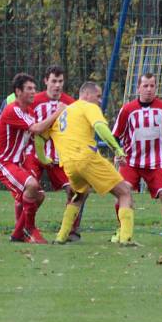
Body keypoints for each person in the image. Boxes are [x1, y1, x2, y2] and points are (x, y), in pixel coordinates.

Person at [48, 81, 138, 246]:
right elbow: (100, 128)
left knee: (79, 195)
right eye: (98, 96)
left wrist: (43, 156)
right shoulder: (88, 106)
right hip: (87, 158)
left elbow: (42, 136)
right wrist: (117, 149)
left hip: (69, 163)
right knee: (124, 193)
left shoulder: (65, 111)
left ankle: (60, 237)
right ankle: (126, 239)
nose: (99, 100)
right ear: (87, 95)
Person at [0, 73, 65, 243]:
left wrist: (44, 157)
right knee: (31, 185)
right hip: (2, 161)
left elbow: (37, 135)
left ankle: (18, 234)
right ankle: (29, 230)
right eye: (29, 89)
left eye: (34, 88)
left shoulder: (28, 110)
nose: (33, 92)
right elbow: (37, 129)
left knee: (39, 195)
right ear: (18, 91)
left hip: (16, 162)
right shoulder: (13, 109)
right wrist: (58, 113)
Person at [111, 73, 162, 245]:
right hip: (131, 162)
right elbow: (114, 136)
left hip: (156, 163)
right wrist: (118, 152)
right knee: (122, 194)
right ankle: (121, 229)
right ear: (138, 88)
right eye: (145, 86)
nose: (149, 89)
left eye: (152, 86)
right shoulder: (128, 110)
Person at [23, 65, 84, 242]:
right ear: (46, 82)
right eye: (54, 81)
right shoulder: (34, 101)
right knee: (29, 189)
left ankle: (71, 230)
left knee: (74, 190)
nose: (57, 85)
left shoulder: (71, 103)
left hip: (60, 156)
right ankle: (24, 229)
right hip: (34, 153)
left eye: (60, 81)